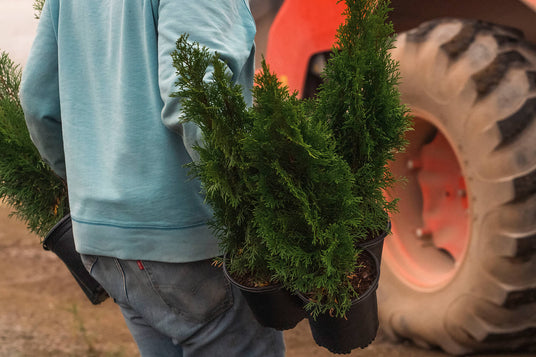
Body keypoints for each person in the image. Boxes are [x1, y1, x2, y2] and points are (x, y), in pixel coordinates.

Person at [19, 0, 285, 356]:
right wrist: (267, 211)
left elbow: (37, 102)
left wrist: (89, 183)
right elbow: (197, 98)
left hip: (107, 247)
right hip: (189, 248)